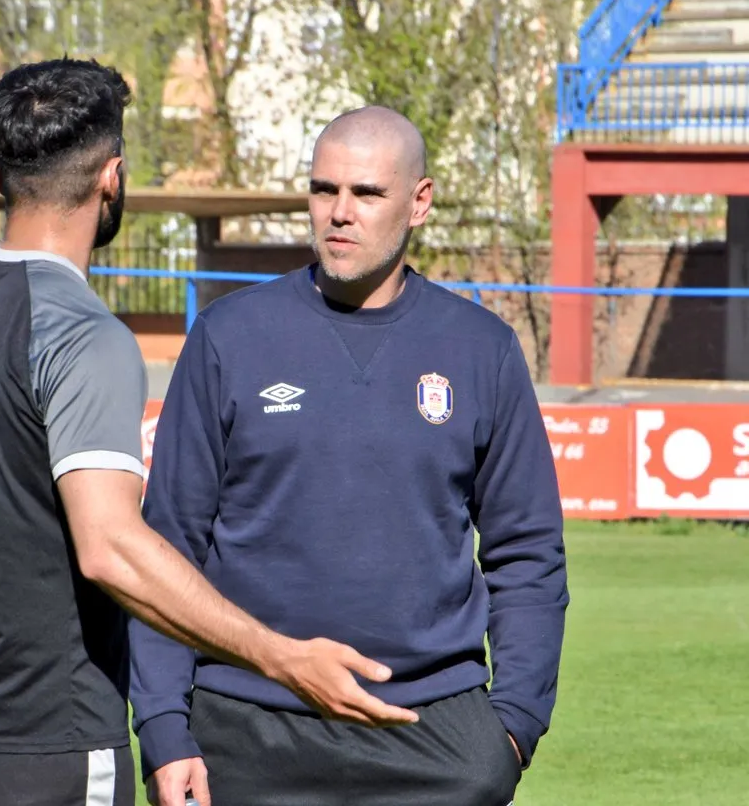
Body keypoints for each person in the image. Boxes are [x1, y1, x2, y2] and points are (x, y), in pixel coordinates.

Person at [0, 63, 418, 806]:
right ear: (112, 177)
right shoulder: (81, 334)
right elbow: (111, 550)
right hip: (43, 737)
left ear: (0, 172)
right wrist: (280, 655)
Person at [129, 106, 570, 806]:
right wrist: (163, 726)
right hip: (247, 731)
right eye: (322, 189)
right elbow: (166, 547)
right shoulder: (229, 337)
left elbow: (527, 551)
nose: (339, 212)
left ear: (418, 203)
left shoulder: (481, 349)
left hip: (432, 733)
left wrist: (512, 726)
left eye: (366, 194)